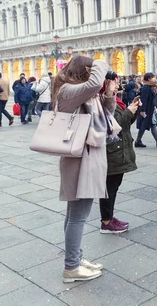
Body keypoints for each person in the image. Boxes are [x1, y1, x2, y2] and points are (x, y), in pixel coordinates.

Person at [53, 56, 117, 283]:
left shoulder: (85, 94)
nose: (95, 76)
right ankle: (71, 267)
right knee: (78, 215)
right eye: (91, 70)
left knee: (74, 214)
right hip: (80, 160)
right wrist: (101, 62)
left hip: (87, 157)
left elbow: (108, 116)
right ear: (83, 71)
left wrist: (109, 93)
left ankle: (76, 258)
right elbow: (92, 85)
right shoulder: (67, 91)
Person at [100, 94, 141, 234]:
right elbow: (114, 125)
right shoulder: (103, 101)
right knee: (109, 188)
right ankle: (106, 221)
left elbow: (126, 123)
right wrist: (129, 111)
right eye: (113, 82)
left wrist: (133, 111)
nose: (116, 85)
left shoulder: (116, 100)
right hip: (112, 151)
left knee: (113, 186)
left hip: (119, 149)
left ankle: (109, 218)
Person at [135, 73, 157, 148]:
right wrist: (143, 110)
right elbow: (144, 100)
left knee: (149, 124)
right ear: (149, 79)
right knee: (149, 124)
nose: (154, 79)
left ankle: (138, 141)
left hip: (151, 109)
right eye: (153, 77)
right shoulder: (146, 88)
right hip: (147, 110)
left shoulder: (151, 86)